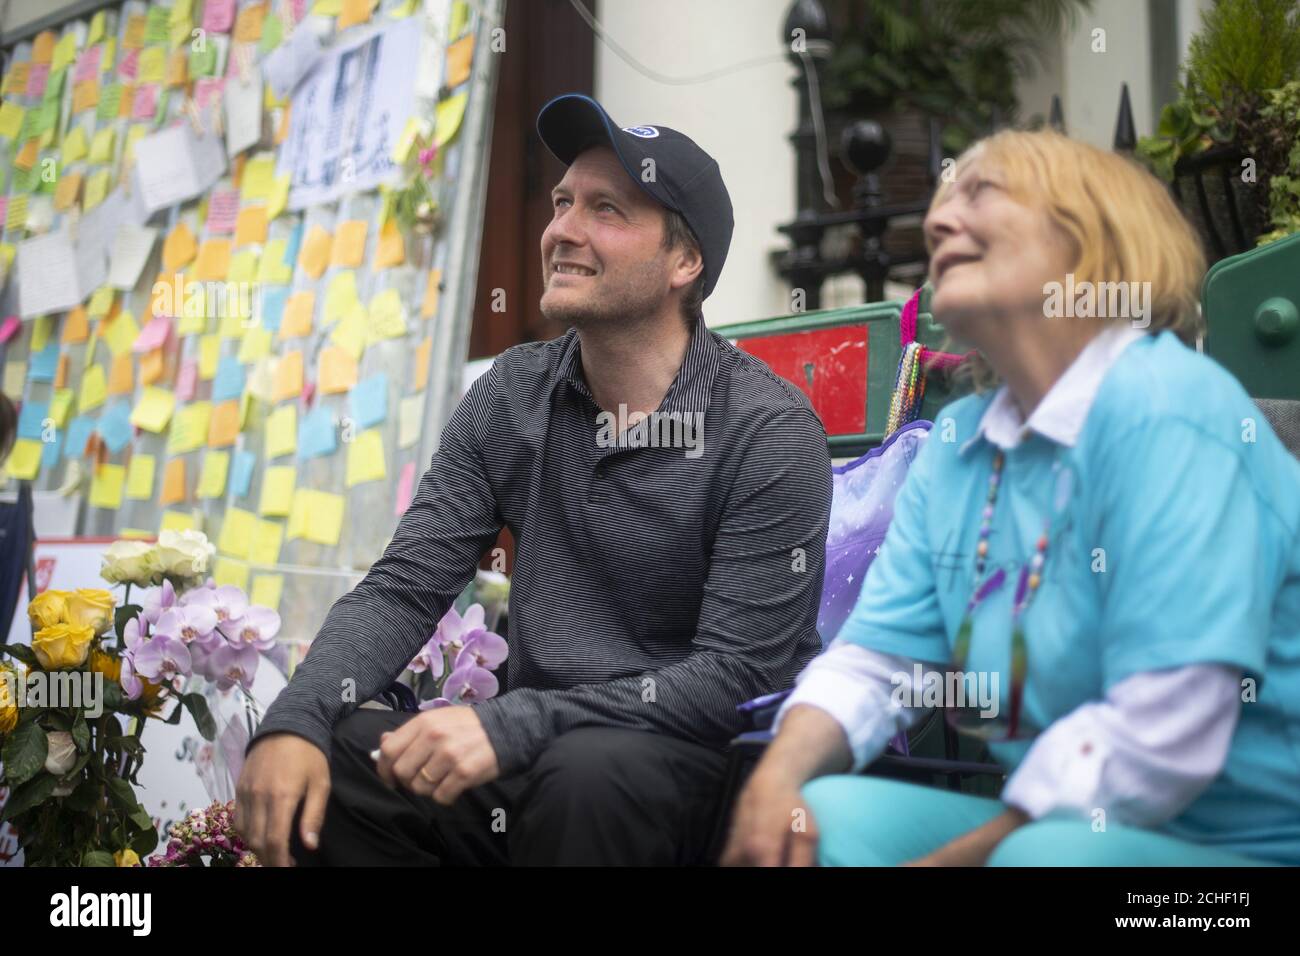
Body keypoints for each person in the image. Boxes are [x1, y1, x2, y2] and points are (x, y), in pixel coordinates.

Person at [235, 94, 833, 866]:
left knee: (589, 772)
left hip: (683, 765)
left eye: (606, 210)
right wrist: (295, 720)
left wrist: (514, 725)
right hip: (538, 753)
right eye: (562, 203)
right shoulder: (512, 393)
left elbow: (735, 674)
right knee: (344, 756)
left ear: (686, 263)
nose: (563, 232)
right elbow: (405, 587)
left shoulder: (767, 428)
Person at [722, 129, 1300, 867]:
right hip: (1055, 830)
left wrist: (965, 858)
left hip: (1242, 857)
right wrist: (777, 781)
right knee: (819, 819)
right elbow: (876, 663)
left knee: (1047, 858)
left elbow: (1169, 727)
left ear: (1090, 235)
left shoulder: (1173, 409)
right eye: (939, 203)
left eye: (979, 193)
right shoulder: (960, 440)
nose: (935, 221)